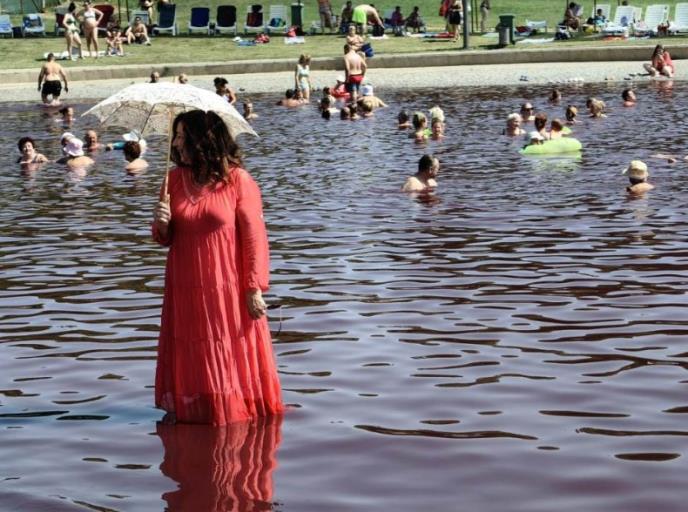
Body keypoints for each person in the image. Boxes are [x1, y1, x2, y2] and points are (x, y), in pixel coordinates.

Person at [151, 109, 284, 425]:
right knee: (193, 347)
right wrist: (161, 223)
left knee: (227, 345)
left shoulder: (239, 180)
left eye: (182, 136)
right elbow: (163, 238)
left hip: (227, 284)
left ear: (203, 140)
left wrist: (254, 288)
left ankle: (231, 419)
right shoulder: (173, 180)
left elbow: (254, 238)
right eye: (176, 136)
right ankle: (199, 411)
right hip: (185, 283)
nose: (177, 143)